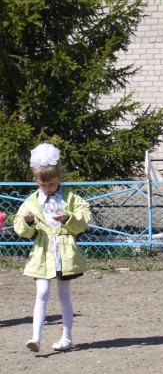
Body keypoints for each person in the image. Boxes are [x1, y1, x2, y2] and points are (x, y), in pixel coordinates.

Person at [14, 143, 92, 353]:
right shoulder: (31, 202)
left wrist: (69, 217)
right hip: (42, 252)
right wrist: (29, 222)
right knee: (42, 292)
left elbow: (84, 218)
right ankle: (35, 337)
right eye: (44, 184)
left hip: (65, 253)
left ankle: (66, 337)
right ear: (36, 180)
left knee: (64, 295)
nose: (49, 187)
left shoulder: (71, 198)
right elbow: (20, 227)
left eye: (53, 183)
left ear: (59, 178)